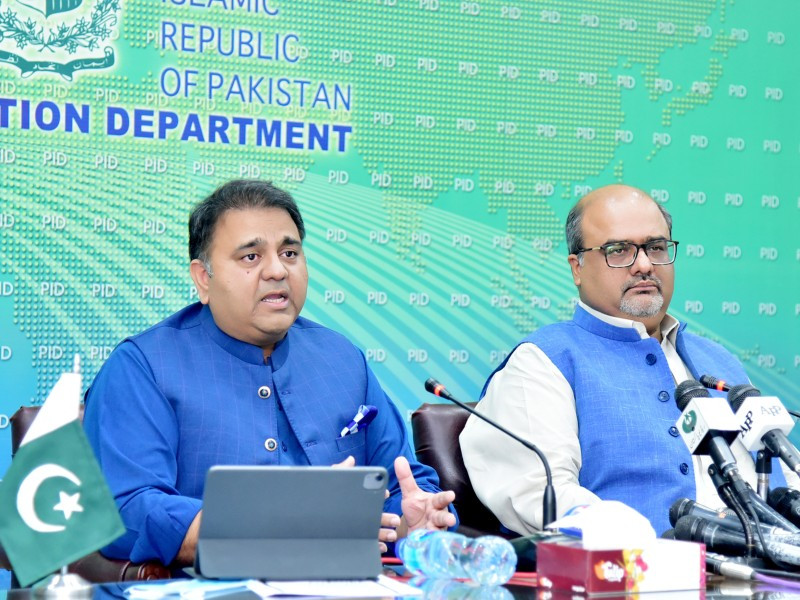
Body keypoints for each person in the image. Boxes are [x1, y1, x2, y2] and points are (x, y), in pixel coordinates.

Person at [84, 180, 456, 566]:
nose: (277, 270)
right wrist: (279, 528)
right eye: (251, 257)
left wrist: (411, 525)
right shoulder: (144, 365)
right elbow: (127, 509)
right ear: (203, 278)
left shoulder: (343, 359)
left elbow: (406, 484)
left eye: (290, 252)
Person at [459, 184, 792, 536]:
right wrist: (632, 539)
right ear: (577, 268)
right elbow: (540, 494)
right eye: (619, 251)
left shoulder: (719, 360)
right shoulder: (543, 361)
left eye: (656, 247)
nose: (645, 265)